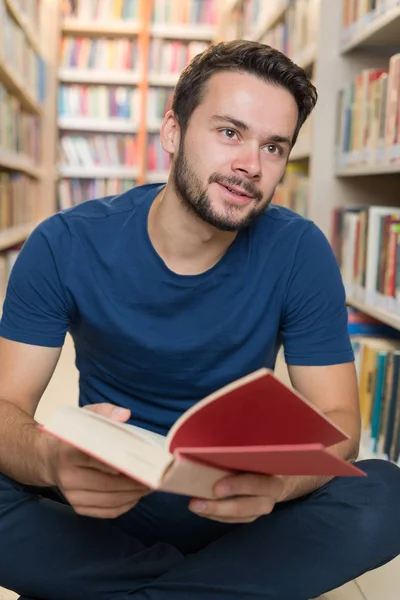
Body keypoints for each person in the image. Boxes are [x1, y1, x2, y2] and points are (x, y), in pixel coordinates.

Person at [0, 40, 399, 600]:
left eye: (274, 147)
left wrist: (278, 483)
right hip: (105, 505)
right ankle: (215, 588)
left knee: (384, 494)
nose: (250, 166)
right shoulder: (64, 243)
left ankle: (120, 587)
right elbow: (4, 411)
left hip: (241, 511)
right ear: (172, 131)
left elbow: (340, 425)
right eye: (230, 132)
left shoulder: (299, 250)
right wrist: (50, 459)